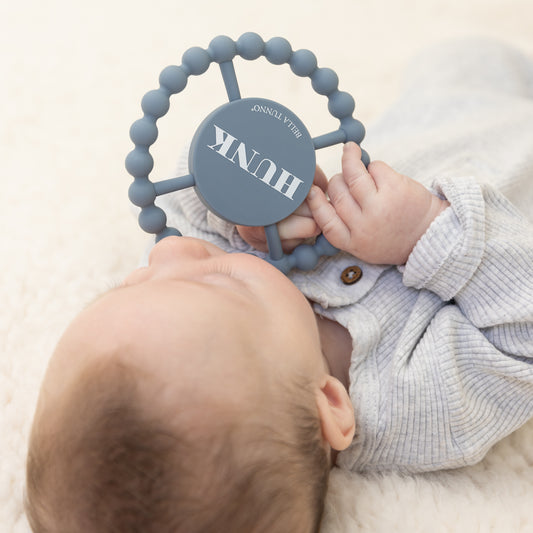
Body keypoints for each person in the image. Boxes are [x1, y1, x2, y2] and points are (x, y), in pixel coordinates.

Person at [25, 38, 533, 533]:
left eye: (131, 283)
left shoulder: (217, 307)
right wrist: (424, 228)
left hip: (434, 115)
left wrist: (234, 213)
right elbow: (523, 334)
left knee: (461, 56)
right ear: (330, 406)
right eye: (218, 282)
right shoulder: (420, 406)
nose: (170, 253)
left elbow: (187, 203)